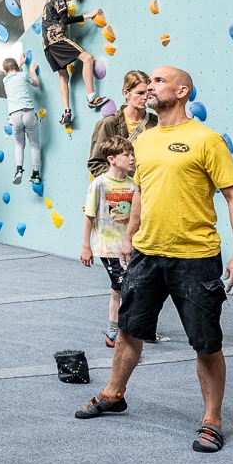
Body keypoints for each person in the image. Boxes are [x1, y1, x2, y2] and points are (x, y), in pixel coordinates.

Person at [74, 66, 233, 453]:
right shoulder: (146, 140)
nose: (149, 87)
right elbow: (141, 191)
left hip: (195, 257)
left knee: (206, 343)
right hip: (146, 254)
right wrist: (129, 237)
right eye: (148, 82)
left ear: (182, 90)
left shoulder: (206, 140)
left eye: (157, 81)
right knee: (128, 330)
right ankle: (114, 393)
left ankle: (212, 420)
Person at [79, 138, 137, 348]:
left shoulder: (133, 184)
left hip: (130, 247)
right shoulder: (99, 184)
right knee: (125, 288)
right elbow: (89, 217)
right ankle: (123, 334)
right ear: (112, 159)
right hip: (108, 247)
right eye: (126, 154)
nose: (131, 158)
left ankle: (114, 331)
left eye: (132, 153)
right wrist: (86, 246)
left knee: (118, 290)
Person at [40, 0, 109, 128]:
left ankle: (66, 112)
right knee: (88, 58)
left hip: (47, 46)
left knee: (63, 77)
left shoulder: (48, 2)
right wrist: (88, 15)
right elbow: (64, 20)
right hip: (57, 39)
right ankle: (92, 98)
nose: (71, 0)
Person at [87, 69, 154, 177]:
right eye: (140, 93)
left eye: (148, 93)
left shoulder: (156, 122)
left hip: (150, 188)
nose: (145, 97)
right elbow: (96, 164)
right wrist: (122, 182)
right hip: (122, 191)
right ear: (126, 93)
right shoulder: (109, 124)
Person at [2, 54, 42, 185]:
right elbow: (36, 84)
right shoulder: (23, 76)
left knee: (19, 145)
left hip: (14, 116)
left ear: (5, 72)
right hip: (28, 113)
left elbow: (13, 73)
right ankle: (35, 174)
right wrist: (31, 70)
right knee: (34, 145)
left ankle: (19, 170)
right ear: (16, 67)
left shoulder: (5, 80)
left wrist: (20, 64)